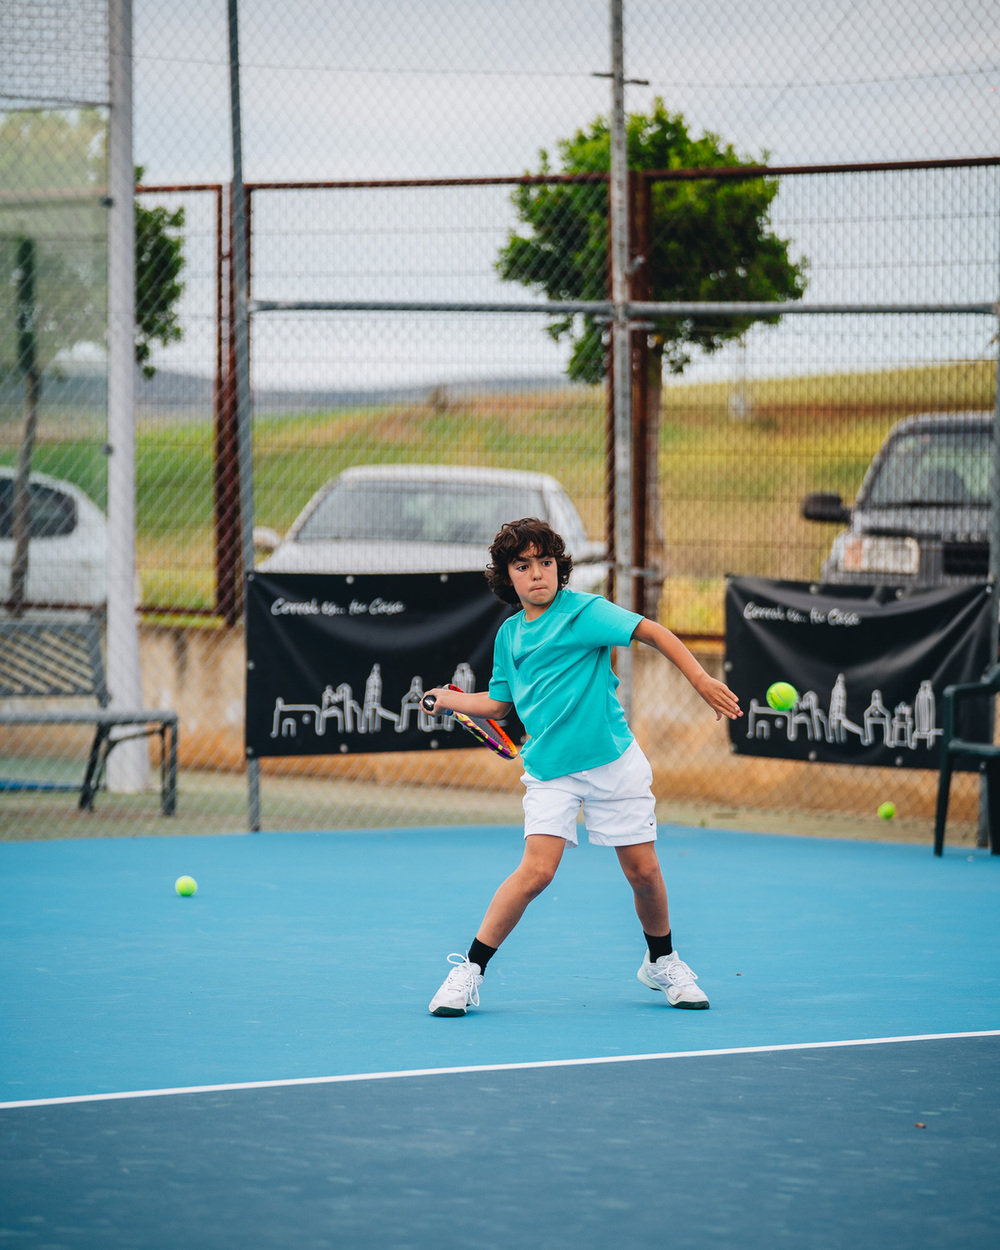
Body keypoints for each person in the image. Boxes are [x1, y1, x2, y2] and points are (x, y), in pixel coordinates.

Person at [425, 517, 742, 1018]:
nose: (537, 574)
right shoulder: (509, 636)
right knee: (535, 873)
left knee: (643, 871)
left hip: (614, 764)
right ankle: (468, 970)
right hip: (551, 771)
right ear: (507, 576)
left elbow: (652, 632)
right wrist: (452, 701)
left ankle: (662, 961)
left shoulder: (584, 613)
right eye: (523, 565)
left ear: (560, 568)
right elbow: (502, 704)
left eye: (545, 563)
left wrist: (700, 679)